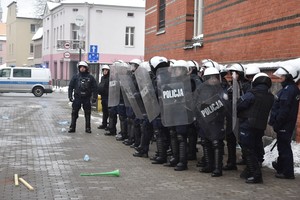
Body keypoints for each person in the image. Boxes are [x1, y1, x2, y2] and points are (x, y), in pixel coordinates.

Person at [237, 73, 274, 183]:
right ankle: (249, 170)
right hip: (260, 126)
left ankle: (255, 174)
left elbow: (239, 104)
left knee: (248, 149)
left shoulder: (252, 94)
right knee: (256, 148)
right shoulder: (270, 96)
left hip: (248, 124)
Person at [269, 65, 300, 180]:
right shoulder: (290, 88)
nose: (280, 78)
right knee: (282, 146)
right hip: (286, 123)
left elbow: (284, 109)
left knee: (284, 148)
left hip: (284, 124)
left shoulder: (289, 90)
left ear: (288, 77)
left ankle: (287, 172)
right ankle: (281, 167)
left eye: (282, 76)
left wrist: (278, 123)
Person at [68, 61, 98, 133]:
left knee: (87, 113)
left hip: (87, 98)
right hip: (77, 97)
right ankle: (72, 127)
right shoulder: (75, 77)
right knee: (74, 113)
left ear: (86, 68)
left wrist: (94, 97)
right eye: (80, 67)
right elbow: (71, 87)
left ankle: (88, 128)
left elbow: (95, 88)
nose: (82, 69)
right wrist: (70, 96)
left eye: (83, 67)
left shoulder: (90, 78)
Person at [97, 65, 110, 129]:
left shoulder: (110, 78)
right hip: (103, 97)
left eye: (106, 70)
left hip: (108, 97)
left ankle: (110, 125)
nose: (105, 71)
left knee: (109, 112)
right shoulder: (102, 78)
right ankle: (104, 123)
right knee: (104, 111)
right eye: (104, 70)